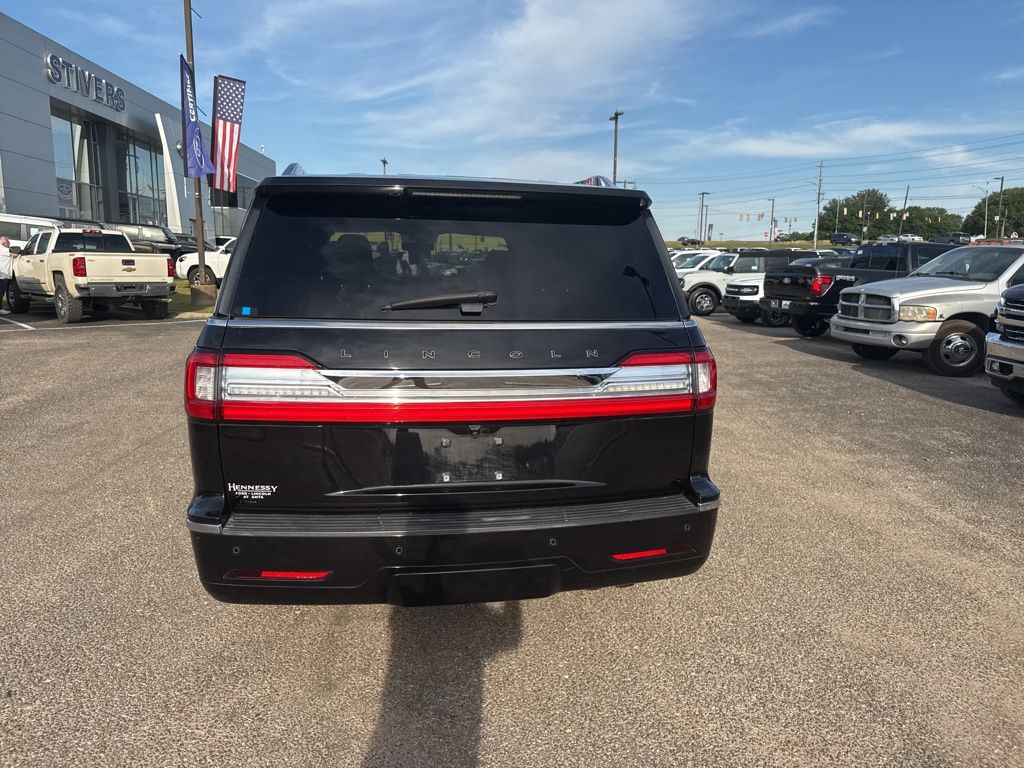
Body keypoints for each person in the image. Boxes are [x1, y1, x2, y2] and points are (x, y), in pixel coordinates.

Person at [0, 236, 12, 314]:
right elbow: (13, 254)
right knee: (1, 292)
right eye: (8, 243)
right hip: (2, 275)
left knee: (1, 292)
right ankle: (0, 309)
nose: (9, 245)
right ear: (4, 243)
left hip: (3, 274)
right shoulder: (2, 249)